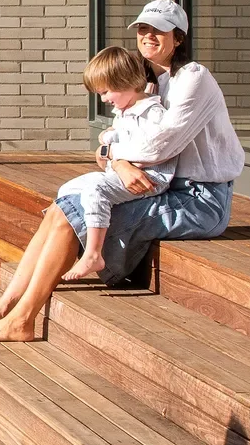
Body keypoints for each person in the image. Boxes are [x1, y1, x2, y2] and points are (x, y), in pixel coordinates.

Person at [0, 0, 245, 342]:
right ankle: (4, 307)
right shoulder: (147, 79)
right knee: (60, 212)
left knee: (69, 215)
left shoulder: (192, 78)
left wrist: (115, 157)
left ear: (178, 38)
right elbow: (111, 139)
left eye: (159, 30)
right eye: (143, 29)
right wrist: (115, 157)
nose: (148, 36)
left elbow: (162, 145)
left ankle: (22, 320)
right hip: (162, 186)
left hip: (200, 200)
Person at [61, 44, 171, 281]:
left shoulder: (152, 113)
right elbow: (117, 140)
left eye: (106, 92)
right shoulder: (125, 111)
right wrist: (109, 136)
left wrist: (113, 150)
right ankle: (73, 247)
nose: (104, 99)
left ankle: (93, 254)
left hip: (148, 178)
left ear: (127, 81)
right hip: (119, 174)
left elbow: (151, 150)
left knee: (96, 189)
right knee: (68, 189)